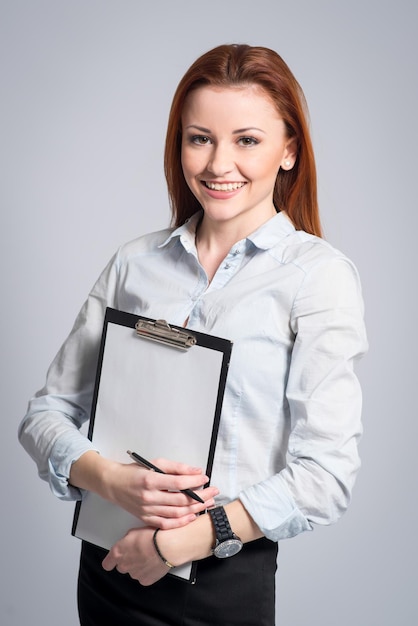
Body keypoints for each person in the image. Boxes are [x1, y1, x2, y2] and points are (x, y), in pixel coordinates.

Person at [18, 43, 368, 625]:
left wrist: (176, 544)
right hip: (108, 568)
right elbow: (46, 414)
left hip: (220, 585)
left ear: (289, 151)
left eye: (247, 140)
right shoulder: (134, 264)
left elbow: (326, 475)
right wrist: (108, 479)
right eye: (199, 137)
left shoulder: (317, 278)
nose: (216, 164)